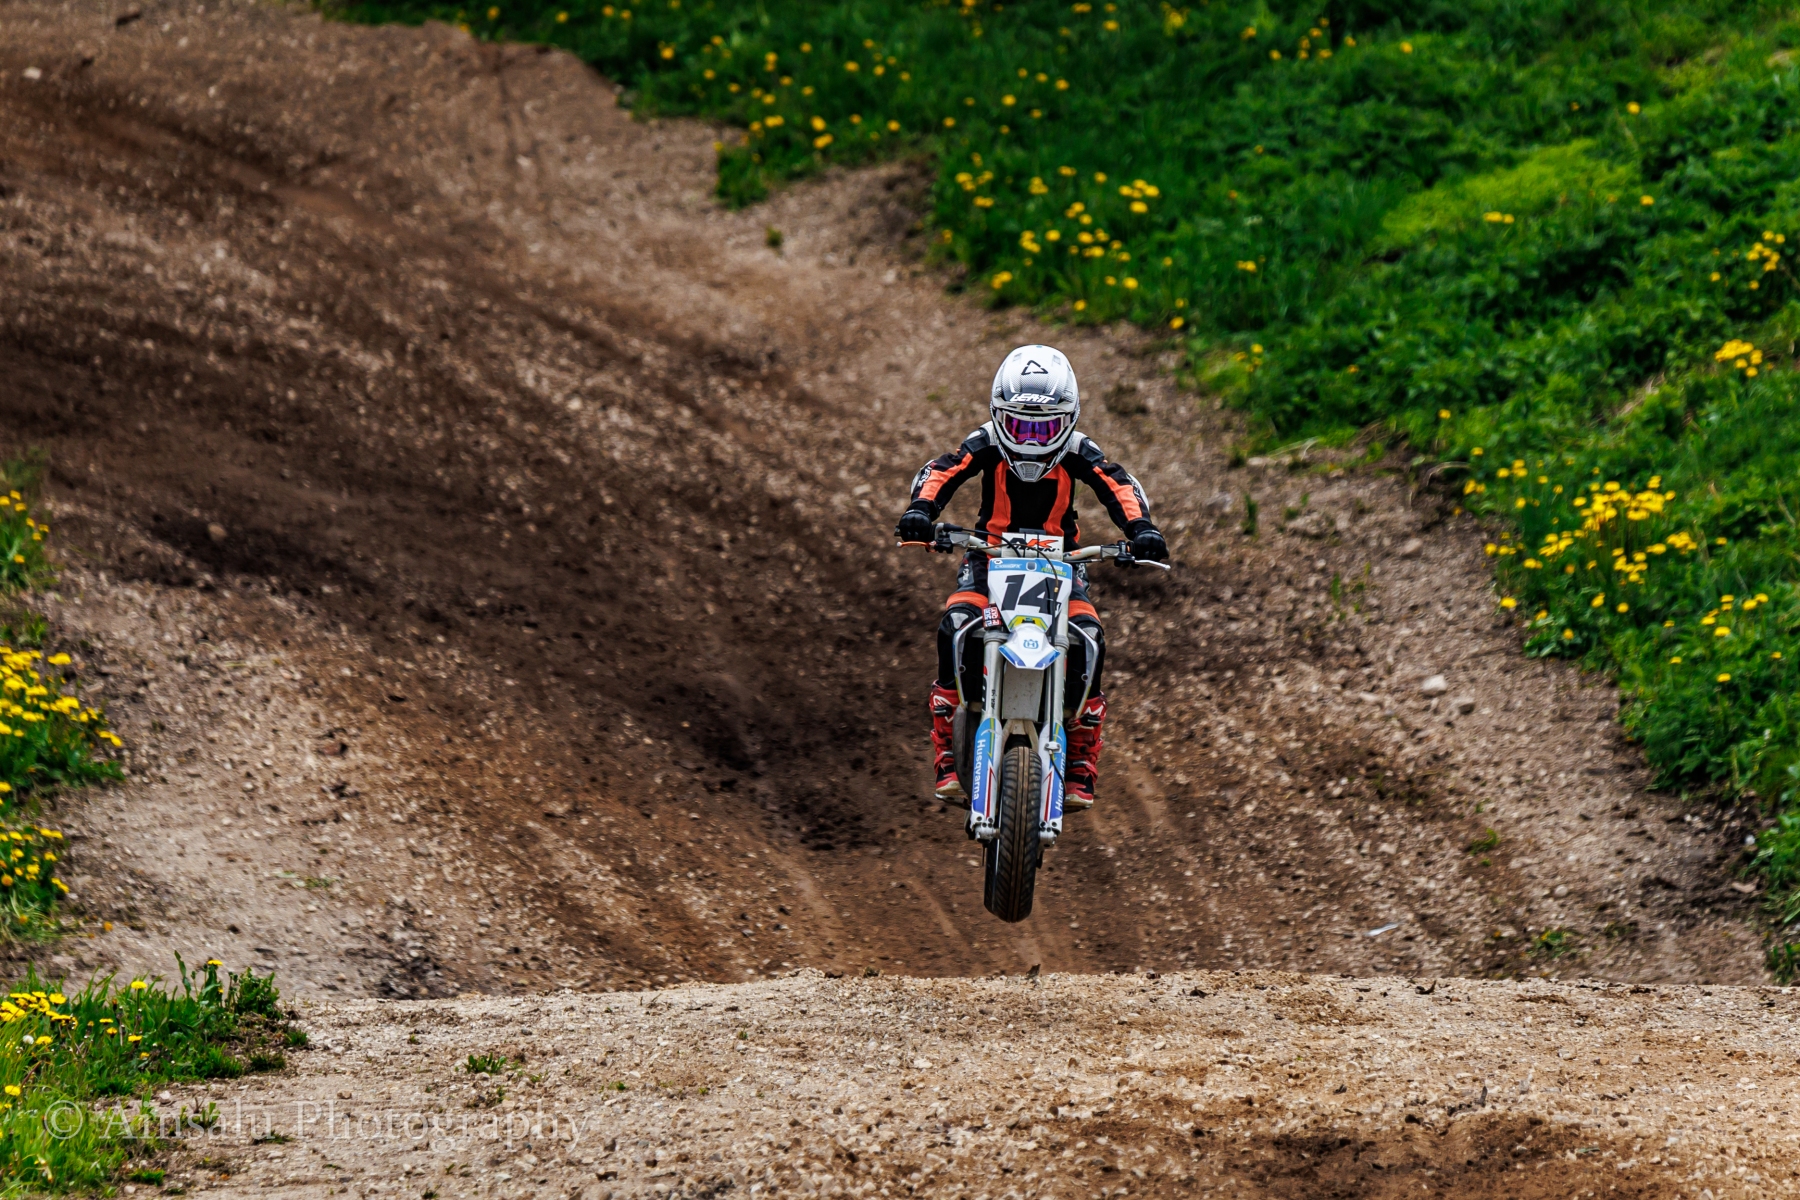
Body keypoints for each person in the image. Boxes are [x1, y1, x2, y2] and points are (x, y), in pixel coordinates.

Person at [894, 344, 1168, 810]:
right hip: (989, 557)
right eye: (1020, 426)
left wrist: (1141, 529)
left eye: (1046, 428)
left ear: (1070, 420)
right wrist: (921, 509)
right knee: (955, 625)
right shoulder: (984, 443)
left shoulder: (1079, 450)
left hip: (1062, 563)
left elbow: (1116, 483)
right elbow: (943, 470)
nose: (1032, 440)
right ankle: (946, 750)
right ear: (998, 415)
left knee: (1089, 638)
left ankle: (1080, 756)